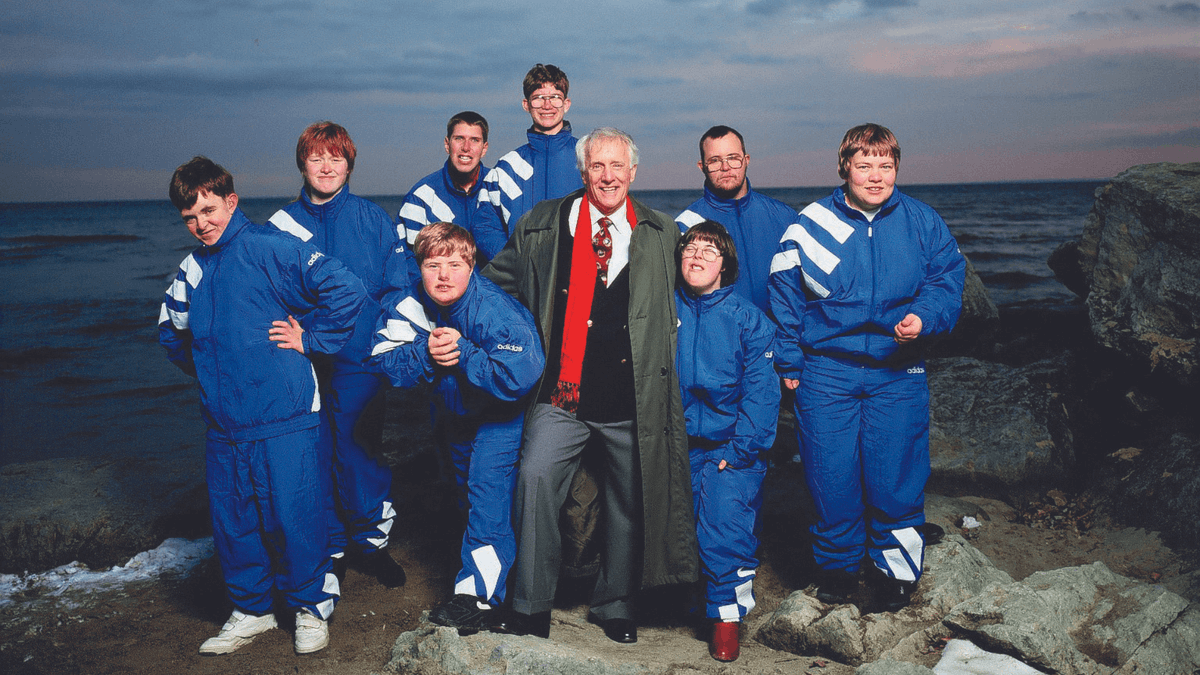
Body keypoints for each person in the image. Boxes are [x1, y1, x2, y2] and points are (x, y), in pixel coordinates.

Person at [483, 127, 698, 644]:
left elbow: (699, 293)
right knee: (535, 477)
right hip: (563, 394)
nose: (607, 176)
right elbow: (492, 286)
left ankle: (615, 605)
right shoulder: (542, 225)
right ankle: (531, 603)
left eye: (617, 166)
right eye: (597, 167)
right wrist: (483, 344)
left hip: (631, 397)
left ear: (633, 173)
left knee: (630, 499)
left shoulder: (662, 232)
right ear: (584, 172)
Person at [159, 156, 366, 655]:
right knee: (235, 522)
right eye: (190, 217)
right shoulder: (191, 269)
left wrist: (310, 337)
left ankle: (311, 606)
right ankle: (251, 609)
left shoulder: (270, 249)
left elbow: (347, 289)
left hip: (284, 418)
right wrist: (213, 374)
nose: (201, 224)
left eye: (209, 210)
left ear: (231, 202)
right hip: (225, 425)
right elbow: (170, 332)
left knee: (294, 516)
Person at [768, 123, 965, 612]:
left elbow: (946, 281)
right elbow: (784, 294)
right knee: (830, 476)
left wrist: (925, 318)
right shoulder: (811, 223)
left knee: (894, 475)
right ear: (845, 168)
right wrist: (790, 358)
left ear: (896, 168)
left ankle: (895, 570)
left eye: (886, 166)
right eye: (864, 165)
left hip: (896, 371)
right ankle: (837, 567)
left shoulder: (923, 222)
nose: (876, 177)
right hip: (826, 372)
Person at [369, 222, 544, 633]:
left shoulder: (495, 310)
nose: (443, 274)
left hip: (499, 416)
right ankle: (497, 578)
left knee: (486, 496)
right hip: (453, 416)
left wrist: (464, 354)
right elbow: (380, 360)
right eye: (433, 264)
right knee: (467, 499)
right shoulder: (412, 304)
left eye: (454, 264)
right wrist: (425, 353)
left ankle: (478, 599)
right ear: (420, 268)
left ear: (471, 266)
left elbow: (520, 375)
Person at [268, 122, 411, 588]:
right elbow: (268, 293)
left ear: (349, 164)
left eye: (336, 158)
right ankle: (330, 546)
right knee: (313, 453)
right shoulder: (280, 226)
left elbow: (398, 287)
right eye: (316, 158)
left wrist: (384, 339)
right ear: (302, 164)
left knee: (356, 450)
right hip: (302, 359)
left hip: (360, 359)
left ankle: (371, 543)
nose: (326, 167)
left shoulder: (372, 219)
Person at [675, 220, 779, 662]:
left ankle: (725, 620)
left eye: (709, 251)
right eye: (690, 249)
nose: (697, 257)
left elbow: (761, 396)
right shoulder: (663, 311)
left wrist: (737, 453)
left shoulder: (749, 321)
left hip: (728, 448)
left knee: (723, 524)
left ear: (725, 266)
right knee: (671, 529)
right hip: (674, 444)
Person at [676, 125, 797, 314]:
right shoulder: (687, 226)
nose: (725, 167)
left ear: (746, 160)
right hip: (721, 340)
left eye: (733, 158)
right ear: (702, 166)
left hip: (778, 338)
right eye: (715, 161)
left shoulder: (785, 217)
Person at [483, 63, 583, 232]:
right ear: (526, 104)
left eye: (555, 97)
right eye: (538, 98)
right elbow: (485, 224)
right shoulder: (507, 168)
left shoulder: (589, 157)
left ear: (566, 104)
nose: (547, 105)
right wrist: (512, 258)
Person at [397, 112, 508, 261]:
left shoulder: (500, 189)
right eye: (459, 139)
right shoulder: (420, 198)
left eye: (475, 140)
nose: (466, 148)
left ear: (484, 148)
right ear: (447, 144)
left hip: (493, 284)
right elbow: (409, 262)